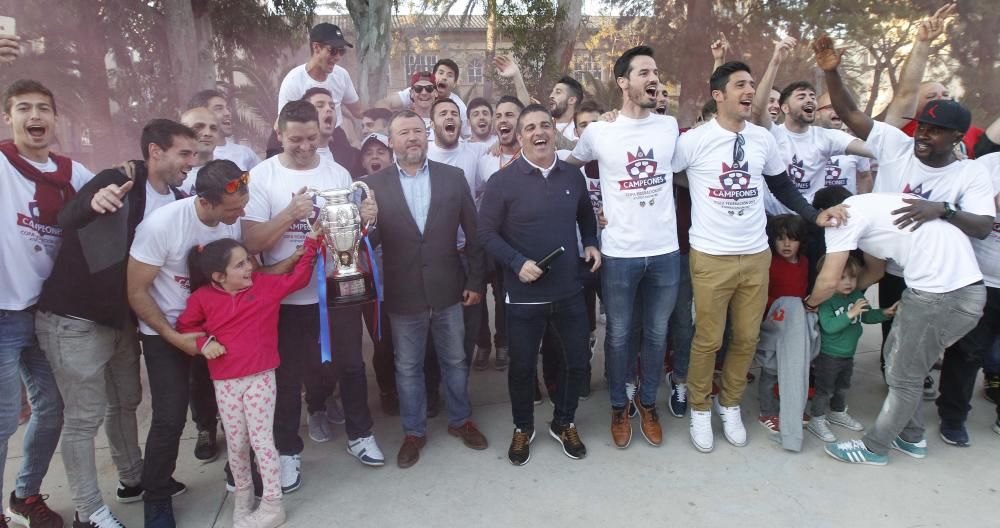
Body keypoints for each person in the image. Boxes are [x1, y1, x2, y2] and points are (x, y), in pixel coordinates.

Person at [670, 60, 847, 454]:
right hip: (711, 256)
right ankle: (700, 408)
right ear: (718, 95)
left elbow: (782, 186)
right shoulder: (693, 141)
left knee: (747, 338)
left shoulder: (762, 139)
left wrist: (814, 214)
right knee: (709, 338)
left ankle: (729, 403)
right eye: (740, 85)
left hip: (755, 255)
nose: (750, 91)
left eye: (751, 84)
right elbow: (662, 177)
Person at [815, 33, 995, 413]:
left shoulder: (969, 174)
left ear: (957, 137)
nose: (923, 135)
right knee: (889, 332)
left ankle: (930, 403)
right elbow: (851, 115)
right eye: (922, 127)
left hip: (938, 274)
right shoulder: (897, 145)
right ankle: (892, 387)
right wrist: (832, 73)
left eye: (934, 130)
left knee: (937, 343)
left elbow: (981, 225)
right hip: (886, 263)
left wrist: (941, 209)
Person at [34, 119, 196, 527]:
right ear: (156, 151)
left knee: (125, 403)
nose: (191, 162)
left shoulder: (178, 197)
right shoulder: (117, 179)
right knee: (83, 419)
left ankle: (132, 478)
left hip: (122, 319)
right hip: (75, 319)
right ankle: (89, 511)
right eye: (184, 153)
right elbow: (68, 217)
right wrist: (95, 200)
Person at [243, 101, 384, 483]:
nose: (305, 147)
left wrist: (367, 221)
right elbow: (250, 240)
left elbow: (350, 239)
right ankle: (287, 450)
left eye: (312, 138)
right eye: (295, 140)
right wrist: (290, 214)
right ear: (278, 133)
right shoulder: (260, 176)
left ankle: (361, 434)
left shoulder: (337, 172)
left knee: (352, 366)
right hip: (288, 297)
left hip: (337, 290)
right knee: (287, 378)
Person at [807, 187, 985, 465]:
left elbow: (828, 281)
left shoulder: (841, 218)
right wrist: (848, 295)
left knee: (903, 377)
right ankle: (911, 437)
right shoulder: (870, 207)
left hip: (939, 296)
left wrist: (810, 304)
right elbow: (876, 271)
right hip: (961, 293)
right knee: (898, 362)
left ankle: (874, 448)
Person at [564, 45, 682, 449]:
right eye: (644, 72)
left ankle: (648, 403)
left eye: (656, 71)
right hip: (619, 254)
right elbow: (568, 167)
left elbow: (690, 168)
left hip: (666, 252)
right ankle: (619, 405)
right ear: (623, 83)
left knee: (656, 333)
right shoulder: (600, 131)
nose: (654, 79)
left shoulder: (669, 127)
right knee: (617, 335)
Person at [364, 110, 488, 468]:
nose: (412, 138)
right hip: (402, 294)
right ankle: (414, 432)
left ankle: (460, 420)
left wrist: (476, 281)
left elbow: (474, 233)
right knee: (407, 368)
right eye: (403, 133)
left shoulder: (453, 177)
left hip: (449, 288)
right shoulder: (374, 186)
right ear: (391, 143)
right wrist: (365, 221)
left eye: (417, 131)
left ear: (427, 136)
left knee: (454, 360)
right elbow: (366, 245)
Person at [127, 160, 247, 527]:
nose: (241, 213)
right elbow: (136, 291)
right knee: (169, 416)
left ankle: (239, 474)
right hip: (167, 333)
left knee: (238, 406)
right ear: (206, 202)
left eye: (243, 204)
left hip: (219, 330)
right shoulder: (162, 226)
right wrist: (174, 337)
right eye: (233, 208)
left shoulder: (232, 216)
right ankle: (157, 496)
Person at [479, 104, 600, 465]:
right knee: (521, 368)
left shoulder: (571, 176)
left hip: (569, 290)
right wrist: (517, 262)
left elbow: (585, 216)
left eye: (544, 125)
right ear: (519, 137)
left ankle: (563, 421)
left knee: (577, 363)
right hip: (523, 295)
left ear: (553, 130)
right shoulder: (502, 182)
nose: (538, 132)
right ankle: (522, 427)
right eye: (529, 127)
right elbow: (484, 232)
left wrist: (591, 241)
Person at [176, 229, 321, 528]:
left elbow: (298, 279)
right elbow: (186, 326)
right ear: (218, 276)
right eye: (240, 265)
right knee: (237, 443)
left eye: (248, 261)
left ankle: (272, 504)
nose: (250, 268)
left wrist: (311, 245)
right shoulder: (202, 299)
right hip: (225, 382)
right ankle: (243, 496)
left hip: (261, 378)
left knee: (262, 441)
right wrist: (204, 344)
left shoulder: (264, 286)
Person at [1, 78, 94, 528]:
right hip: (2, 311)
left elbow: (109, 201)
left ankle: (25, 494)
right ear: (8, 117)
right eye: (23, 108)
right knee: (1, 418)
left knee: (52, 407)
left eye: (43, 108)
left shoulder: (73, 173)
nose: (34, 116)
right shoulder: (1, 163)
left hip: (47, 313)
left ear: (56, 119)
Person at [752, 37, 874, 206]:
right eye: (801, 96)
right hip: (778, 225)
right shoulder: (773, 134)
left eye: (812, 96)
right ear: (785, 108)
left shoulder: (826, 137)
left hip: (812, 221)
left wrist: (896, 147)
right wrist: (775, 62)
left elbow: (869, 148)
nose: (809, 100)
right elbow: (758, 111)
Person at [935, 151, 1000, 445]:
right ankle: (953, 417)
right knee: (967, 351)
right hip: (980, 278)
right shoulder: (988, 165)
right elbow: (968, 212)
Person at [808, 254, 897, 444]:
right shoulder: (827, 300)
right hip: (829, 355)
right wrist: (850, 313)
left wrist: (885, 313)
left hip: (848, 354)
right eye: (842, 278)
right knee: (824, 389)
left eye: (852, 277)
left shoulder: (856, 295)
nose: (848, 282)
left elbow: (867, 316)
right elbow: (829, 326)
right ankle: (817, 419)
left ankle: (837, 412)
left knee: (842, 386)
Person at [883, 4, 984, 158]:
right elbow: (907, 92)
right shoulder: (901, 128)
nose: (941, 99)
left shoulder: (971, 131)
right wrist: (922, 42)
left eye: (945, 94)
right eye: (930, 96)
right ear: (913, 106)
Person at [473, 95, 526, 371]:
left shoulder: (529, 158)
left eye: (510, 115)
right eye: (499, 115)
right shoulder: (484, 160)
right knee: (478, 294)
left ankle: (503, 343)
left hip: (514, 241)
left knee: (505, 295)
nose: (503, 120)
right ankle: (482, 344)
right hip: (486, 240)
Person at [754, 214, 815, 447]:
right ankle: (767, 411)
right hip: (773, 320)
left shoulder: (805, 263)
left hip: (796, 323)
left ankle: (791, 407)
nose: (787, 245)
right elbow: (761, 293)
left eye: (792, 239)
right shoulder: (769, 262)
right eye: (780, 239)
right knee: (771, 367)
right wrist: (777, 305)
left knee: (796, 366)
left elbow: (804, 291)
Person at [276, 23, 361, 130]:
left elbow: (358, 111)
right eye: (333, 51)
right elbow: (283, 124)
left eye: (341, 51)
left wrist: (384, 112)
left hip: (335, 135)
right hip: (305, 135)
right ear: (316, 48)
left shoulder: (341, 75)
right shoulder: (293, 81)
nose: (338, 57)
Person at [378, 58, 469, 136]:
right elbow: (383, 103)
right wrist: (389, 126)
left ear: (454, 84)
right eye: (441, 73)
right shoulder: (418, 90)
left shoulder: (459, 108)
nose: (444, 77)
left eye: (450, 75)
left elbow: (467, 136)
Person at [187, 89, 261, 170]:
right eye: (219, 108)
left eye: (227, 108)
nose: (227, 113)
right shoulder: (190, 157)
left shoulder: (245, 153)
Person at [815, 93, 874, 195]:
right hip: (814, 209)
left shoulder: (856, 144)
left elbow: (865, 177)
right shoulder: (808, 141)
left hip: (846, 208)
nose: (837, 111)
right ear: (817, 114)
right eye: (830, 107)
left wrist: (861, 202)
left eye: (840, 108)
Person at [302, 86, 362, 177]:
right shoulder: (293, 158)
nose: (329, 109)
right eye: (320, 106)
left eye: (332, 106)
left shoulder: (349, 158)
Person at [549, 76, 583, 140]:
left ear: (572, 100)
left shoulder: (581, 128)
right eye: (552, 92)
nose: (551, 96)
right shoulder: (543, 124)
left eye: (558, 92)